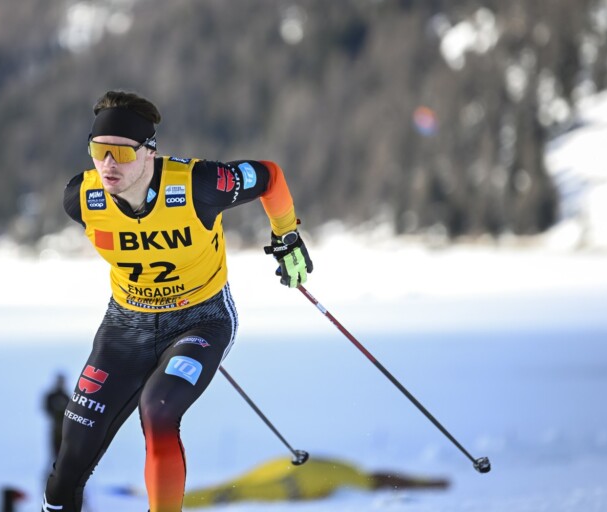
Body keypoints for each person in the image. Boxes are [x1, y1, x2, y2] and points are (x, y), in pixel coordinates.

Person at [42, 90, 313, 512]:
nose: (108, 164)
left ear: (149, 152)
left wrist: (287, 236)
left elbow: (270, 177)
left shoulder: (199, 184)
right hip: (126, 327)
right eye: (98, 150)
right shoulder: (82, 197)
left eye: (122, 153)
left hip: (200, 320)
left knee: (158, 411)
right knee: (69, 462)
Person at [182, 455, 449, 507]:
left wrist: (426, 483)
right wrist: (425, 484)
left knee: (234, 488)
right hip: (291, 480)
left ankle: (173, 499)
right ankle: (175, 502)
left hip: (286, 466)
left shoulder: (351, 470)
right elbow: (326, 494)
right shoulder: (357, 482)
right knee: (234, 492)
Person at [43, 373, 70, 461]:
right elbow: (47, 410)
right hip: (55, 428)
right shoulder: (51, 396)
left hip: (65, 429)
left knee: (64, 454)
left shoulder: (66, 396)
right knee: (55, 455)